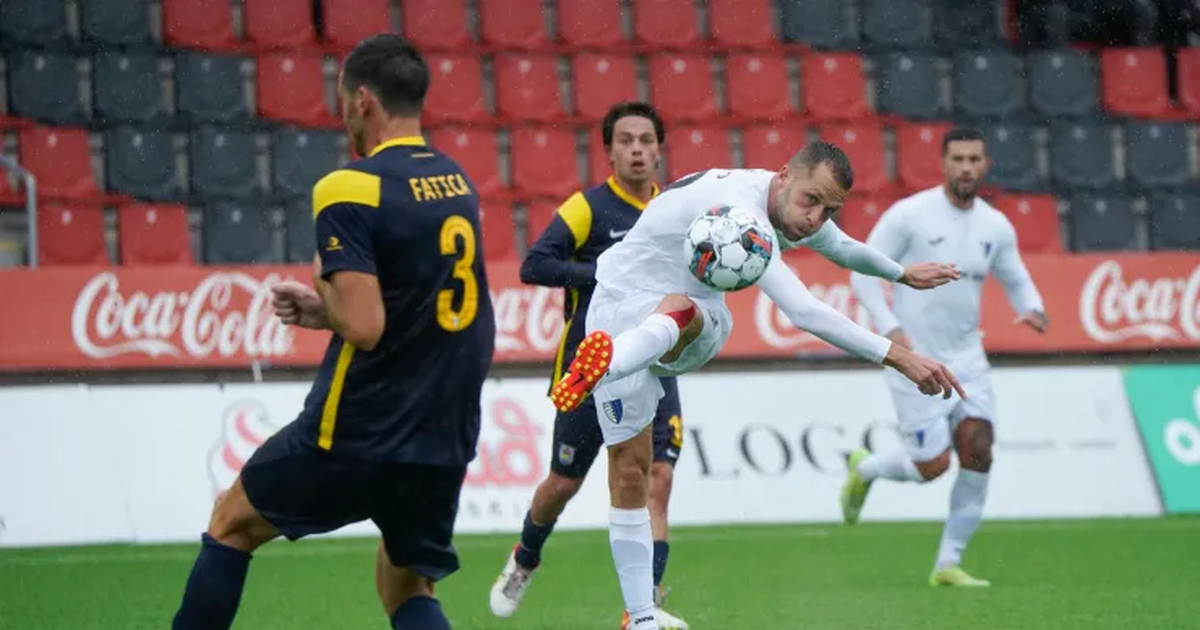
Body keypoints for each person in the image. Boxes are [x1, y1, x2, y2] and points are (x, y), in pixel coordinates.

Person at [549, 144, 966, 630]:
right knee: (636, 451)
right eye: (812, 201)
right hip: (645, 312)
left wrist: (900, 273)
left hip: (628, 317)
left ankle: (606, 366)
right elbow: (804, 312)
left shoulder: (781, 197)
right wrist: (901, 357)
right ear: (785, 175)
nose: (815, 218)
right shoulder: (741, 218)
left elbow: (840, 245)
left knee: (637, 447)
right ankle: (641, 617)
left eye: (829, 209)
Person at [170, 34, 494, 630]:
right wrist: (330, 309)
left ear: (364, 101)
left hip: (361, 427)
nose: (342, 110)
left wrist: (331, 299)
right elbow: (421, 303)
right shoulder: (456, 182)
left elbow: (367, 327)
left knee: (231, 522)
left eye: (343, 98)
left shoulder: (349, 185)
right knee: (405, 584)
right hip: (441, 432)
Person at [488, 102, 690, 629]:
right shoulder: (588, 208)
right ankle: (525, 558)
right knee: (564, 481)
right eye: (626, 140)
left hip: (654, 363)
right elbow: (535, 264)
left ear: (660, 148)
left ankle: (642, 607)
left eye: (647, 140)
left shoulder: (673, 209)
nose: (638, 149)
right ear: (609, 151)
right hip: (590, 365)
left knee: (657, 476)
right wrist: (601, 272)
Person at [844, 127, 1048, 588]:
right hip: (913, 361)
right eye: (957, 158)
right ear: (943, 163)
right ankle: (868, 468)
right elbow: (861, 273)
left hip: (968, 358)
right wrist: (889, 328)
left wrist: (1031, 306)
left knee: (978, 448)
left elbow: (1015, 276)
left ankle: (947, 565)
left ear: (985, 165)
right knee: (932, 466)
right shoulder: (909, 216)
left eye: (974, 159)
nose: (965, 167)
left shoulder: (995, 226)